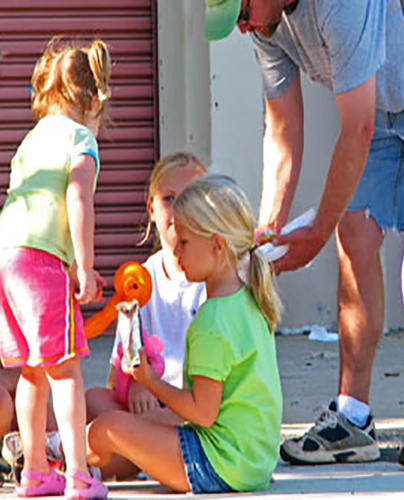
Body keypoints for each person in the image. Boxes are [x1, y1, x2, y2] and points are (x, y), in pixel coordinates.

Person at [203, 0, 404, 469]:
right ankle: (353, 417)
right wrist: (267, 229)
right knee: (354, 235)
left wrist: (316, 233)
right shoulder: (265, 24)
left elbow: (354, 131)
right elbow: (281, 129)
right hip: (375, 97)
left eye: (241, 11)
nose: (241, 27)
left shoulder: (337, 5)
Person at [86, 174, 283, 493]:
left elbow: (201, 413)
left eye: (186, 242)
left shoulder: (212, 321)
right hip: (251, 461)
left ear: (217, 245)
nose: (176, 251)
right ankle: (79, 463)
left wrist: (149, 380)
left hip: (218, 465)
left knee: (106, 428)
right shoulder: (249, 300)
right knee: (138, 427)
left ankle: (59, 457)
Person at [0, 38, 111, 497]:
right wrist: (84, 266)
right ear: (91, 101)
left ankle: (35, 472)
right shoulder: (79, 138)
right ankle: (79, 474)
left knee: (31, 370)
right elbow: (77, 198)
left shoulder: (31, 139)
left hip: (7, 259)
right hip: (42, 263)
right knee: (65, 371)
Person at [85, 152, 207, 480]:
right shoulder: (141, 278)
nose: (179, 210)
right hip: (148, 406)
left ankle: (78, 459)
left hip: (193, 409)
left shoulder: (212, 279)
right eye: (169, 199)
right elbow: (119, 371)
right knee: (93, 400)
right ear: (151, 208)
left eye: (191, 199)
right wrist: (137, 384)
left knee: (114, 430)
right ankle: (91, 459)